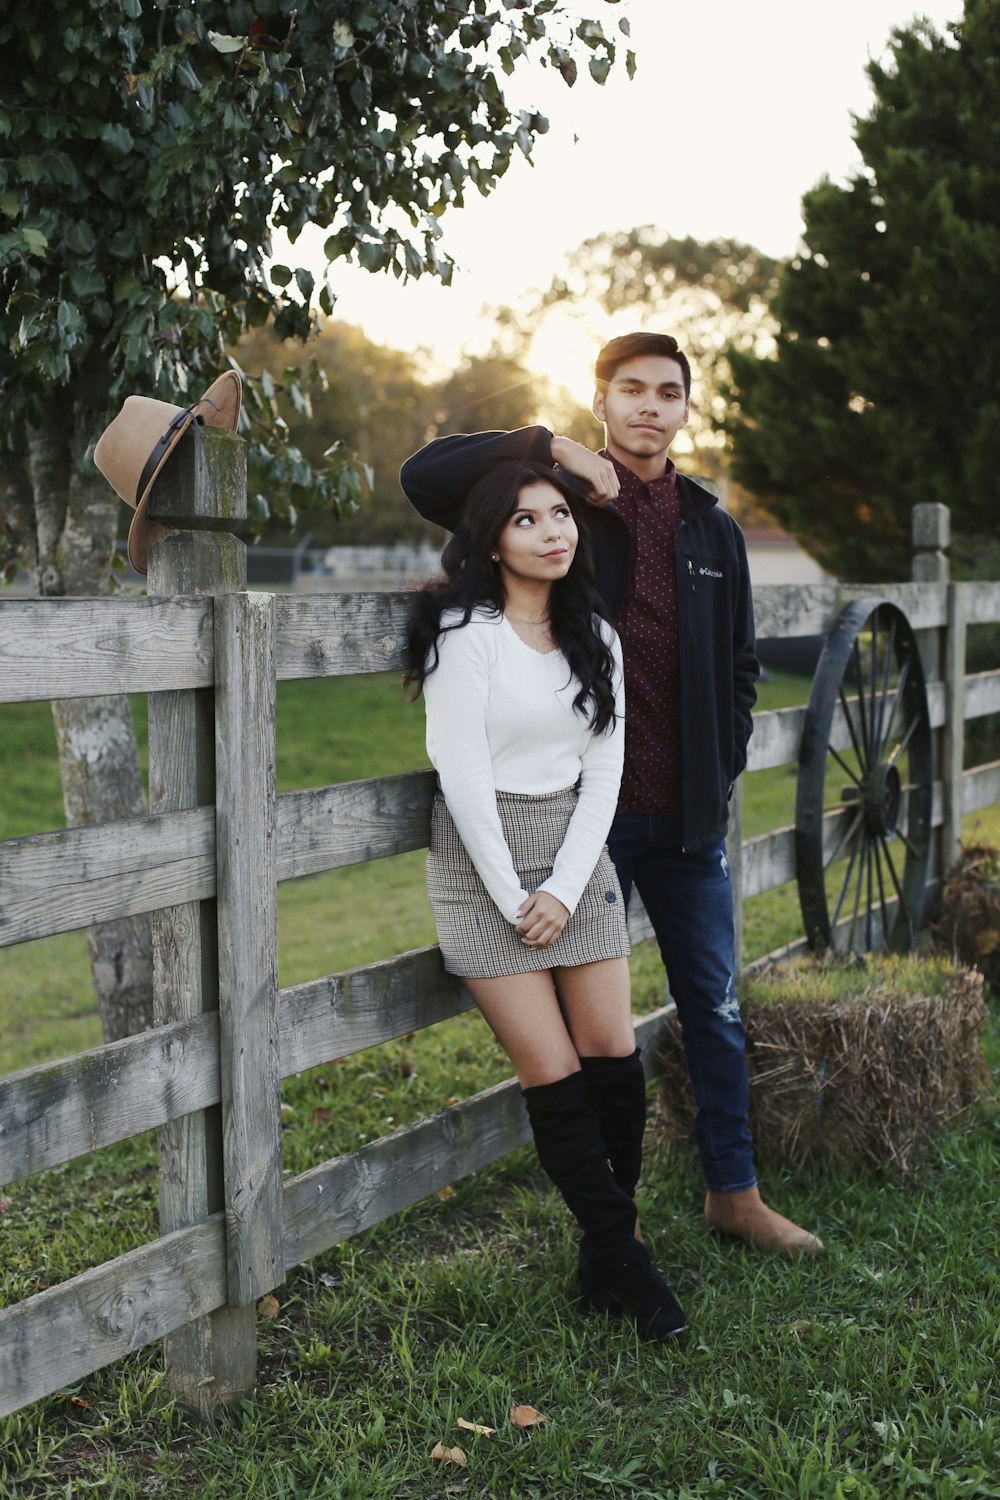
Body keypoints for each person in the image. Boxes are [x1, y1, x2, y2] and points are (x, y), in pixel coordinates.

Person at [400, 332, 824, 1259]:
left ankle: (734, 1191)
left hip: (687, 816)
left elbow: (741, 661)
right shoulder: (564, 502)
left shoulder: (710, 523)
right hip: (577, 819)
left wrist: (725, 754)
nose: (649, 406)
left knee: (712, 1005)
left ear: (684, 408)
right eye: (629, 389)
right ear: (601, 401)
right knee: (599, 1043)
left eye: (667, 393)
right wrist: (548, 445)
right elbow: (425, 475)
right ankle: (614, 1223)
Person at [404, 457, 686, 1340]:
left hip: (575, 853)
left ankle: (610, 1251)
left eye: (560, 514)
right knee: (553, 1073)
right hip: (482, 859)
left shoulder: (592, 635)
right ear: (491, 539)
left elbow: (605, 766)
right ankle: (630, 1267)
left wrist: (564, 888)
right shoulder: (464, 632)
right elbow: (463, 774)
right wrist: (517, 895)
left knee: (613, 1053)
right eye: (527, 520)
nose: (552, 532)